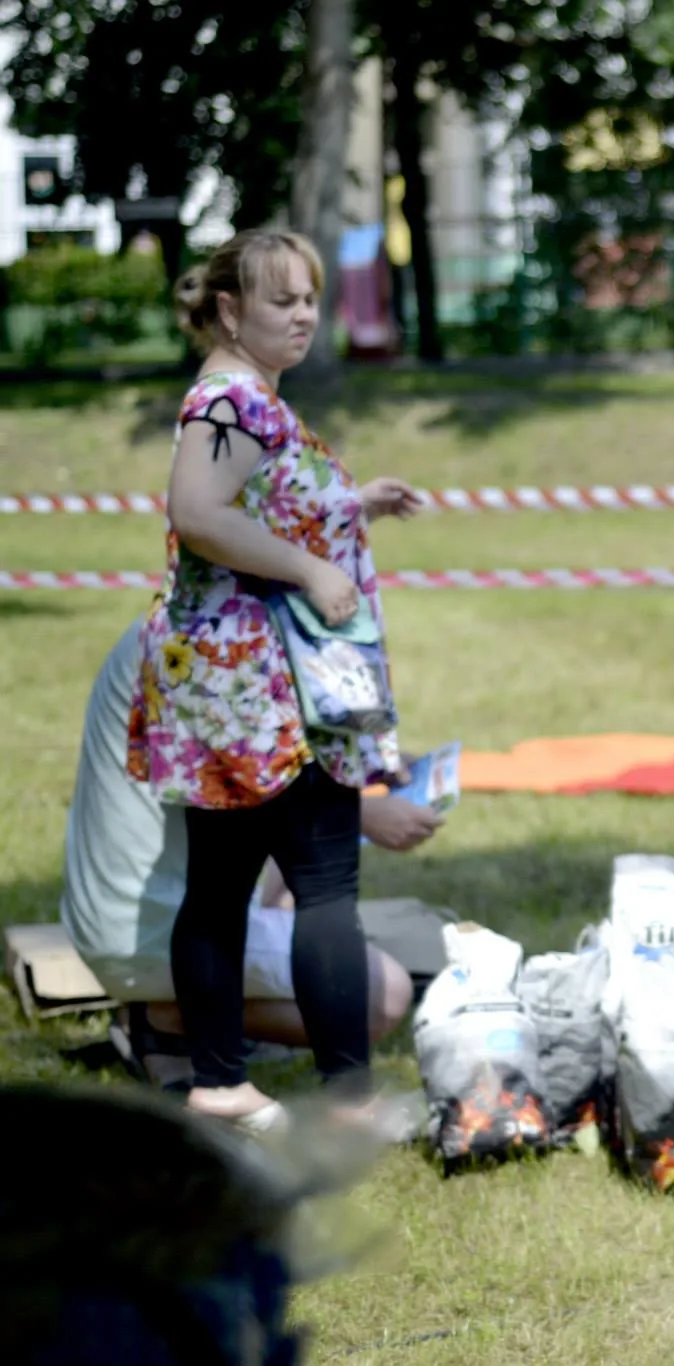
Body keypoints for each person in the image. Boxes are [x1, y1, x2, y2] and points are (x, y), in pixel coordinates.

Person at [126, 229, 424, 1130]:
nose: (303, 317)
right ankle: (348, 1101)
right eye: (282, 301)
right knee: (324, 885)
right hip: (267, 688)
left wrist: (347, 502)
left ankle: (220, 1084)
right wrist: (312, 569)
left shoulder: (244, 396)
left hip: (233, 683)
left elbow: (254, 502)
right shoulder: (230, 400)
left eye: (310, 300)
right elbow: (200, 511)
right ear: (228, 310)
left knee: (220, 888)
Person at [65, 617, 441, 1089]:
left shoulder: (188, 624)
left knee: (286, 886)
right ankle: (165, 1016)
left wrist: (369, 768)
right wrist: (365, 814)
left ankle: (193, 1014)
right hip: (152, 924)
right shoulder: (221, 650)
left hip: (123, 905)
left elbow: (274, 761)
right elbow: (269, 784)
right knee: (381, 996)